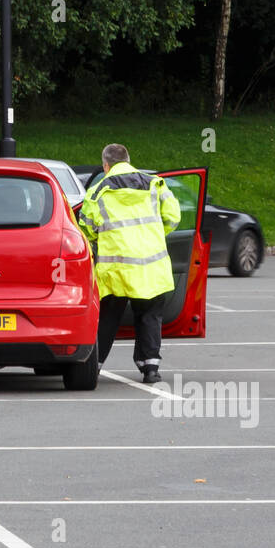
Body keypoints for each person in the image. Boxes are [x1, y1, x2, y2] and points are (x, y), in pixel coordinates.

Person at [78, 143, 179, 383]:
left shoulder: (98, 190)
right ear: (128, 160)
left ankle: (95, 365)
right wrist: (153, 233)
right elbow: (173, 217)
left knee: (108, 318)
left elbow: (86, 227)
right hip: (151, 265)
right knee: (149, 316)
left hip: (116, 267)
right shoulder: (155, 184)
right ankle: (150, 369)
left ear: (106, 165)